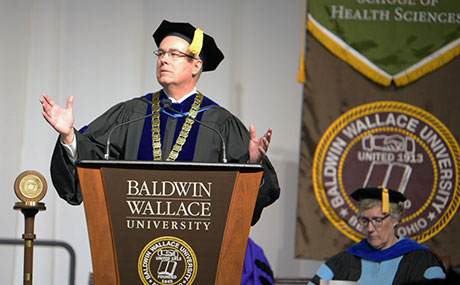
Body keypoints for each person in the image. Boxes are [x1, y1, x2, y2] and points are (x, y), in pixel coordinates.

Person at [41, 20, 280, 284]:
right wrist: (69, 136)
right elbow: (90, 161)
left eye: (174, 54)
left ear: (196, 65)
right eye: (161, 53)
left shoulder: (219, 123)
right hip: (133, 250)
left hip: (200, 257)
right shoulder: (131, 113)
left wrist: (253, 164)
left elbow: (250, 201)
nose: (164, 60)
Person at [309, 187, 446, 285]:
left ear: (395, 220)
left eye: (377, 220)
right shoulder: (343, 262)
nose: (370, 228)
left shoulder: (422, 260)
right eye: (365, 220)